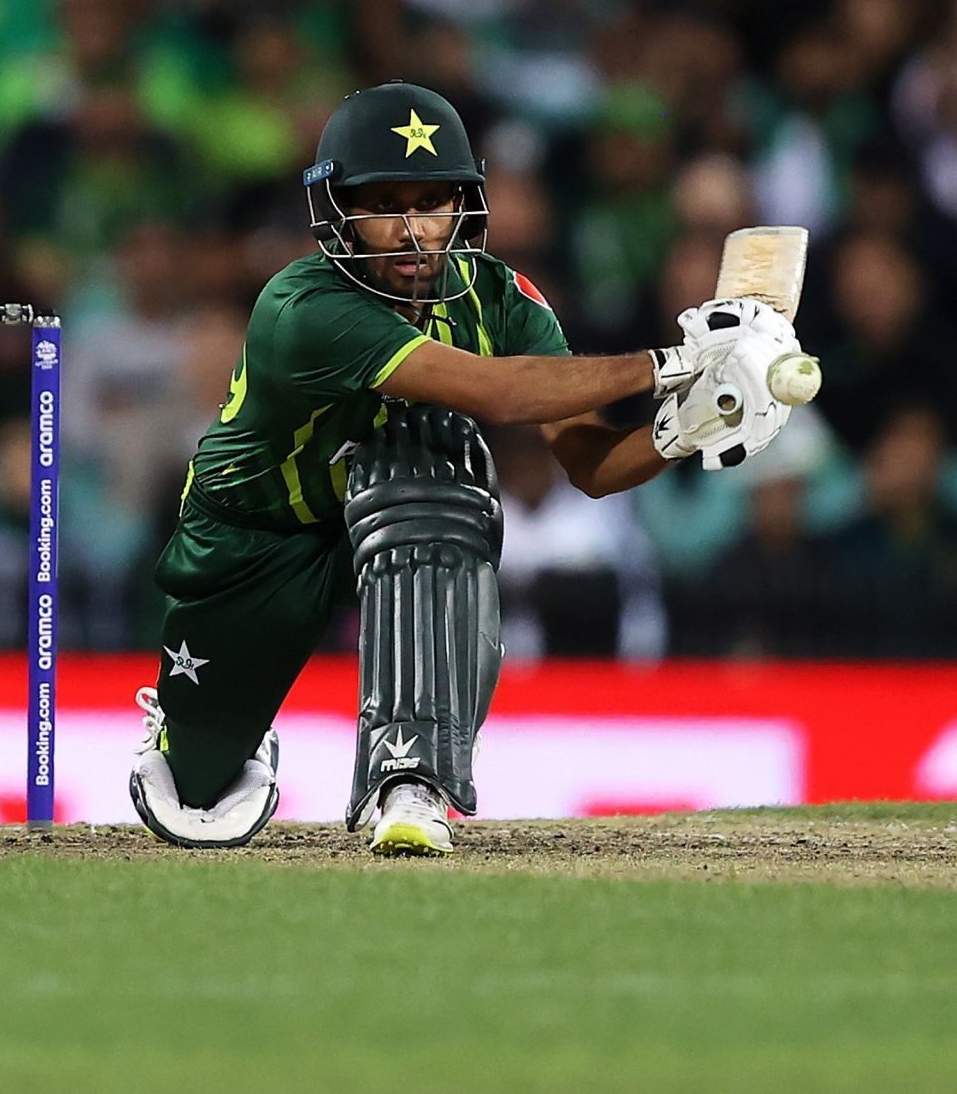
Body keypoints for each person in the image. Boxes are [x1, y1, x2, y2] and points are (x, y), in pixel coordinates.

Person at [130, 82, 804, 853]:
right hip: (255, 537)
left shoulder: (501, 298)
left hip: (390, 513)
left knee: (428, 452)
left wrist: (691, 424)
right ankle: (202, 734)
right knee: (196, 794)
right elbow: (498, 390)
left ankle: (409, 778)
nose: (415, 231)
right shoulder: (304, 307)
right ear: (339, 212)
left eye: (433, 201)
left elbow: (587, 461)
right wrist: (678, 362)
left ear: (465, 205)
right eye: (387, 204)